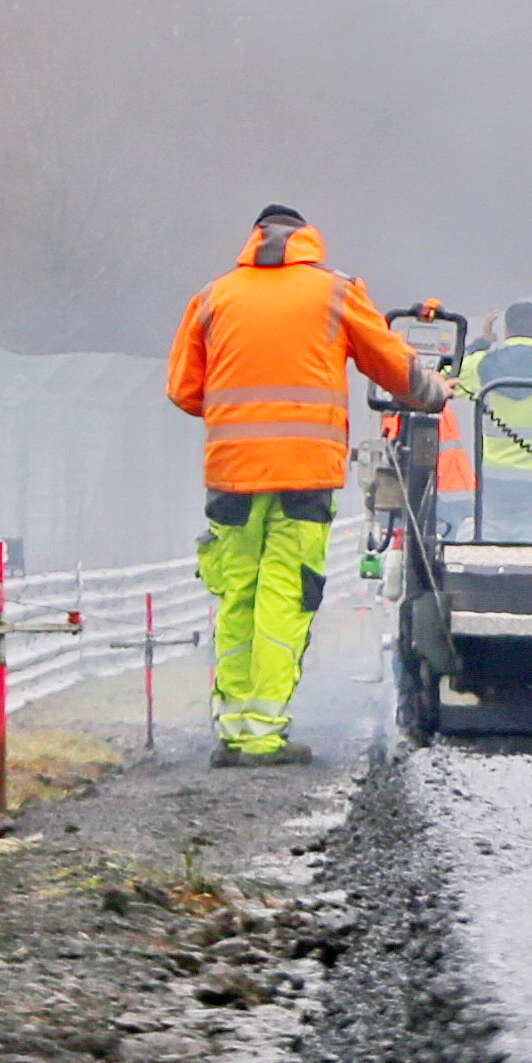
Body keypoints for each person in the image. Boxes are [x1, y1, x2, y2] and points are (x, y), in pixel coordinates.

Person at [165, 204, 418, 764]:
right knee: (286, 591)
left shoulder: (213, 296)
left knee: (238, 592)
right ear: (308, 239)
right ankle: (263, 734)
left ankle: (233, 729)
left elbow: (185, 390)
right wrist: (433, 391)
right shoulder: (335, 291)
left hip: (231, 474)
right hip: (305, 474)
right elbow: (394, 367)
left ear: (253, 239)